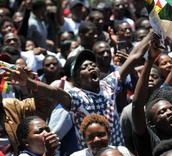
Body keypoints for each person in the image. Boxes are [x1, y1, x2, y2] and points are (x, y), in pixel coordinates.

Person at [2, 31, 156, 148]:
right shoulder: (76, 96)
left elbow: (134, 56)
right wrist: (28, 82)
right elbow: (53, 92)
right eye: (84, 67)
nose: (91, 66)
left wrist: (154, 30)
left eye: (92, 64)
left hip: (117, 153)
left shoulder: (108, 84)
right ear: (77, 78)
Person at [67, 114, 138, 156]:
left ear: (109, 134)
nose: (96, 140)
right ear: (84, 139)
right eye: (91, 137)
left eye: (101, 135)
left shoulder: (122, 151)